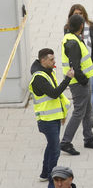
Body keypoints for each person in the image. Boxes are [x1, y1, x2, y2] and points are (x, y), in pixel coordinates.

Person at [59, 14, 93, 156]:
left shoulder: (71, 38)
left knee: (88, 110)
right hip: (79, 83)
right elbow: (75, 66)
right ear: (81, 26)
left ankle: (88, 138)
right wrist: (84, 80)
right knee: (79, 112)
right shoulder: (72, 42)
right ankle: (66, 142)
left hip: (81, 81)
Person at [29, 48, 73, 186]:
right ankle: (52, 181)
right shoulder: (39, 78)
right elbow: (54, 93)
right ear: (43, 61)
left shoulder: (48, 72)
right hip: (46, 121)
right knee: (55, 150)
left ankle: (44, 173)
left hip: (53, 118)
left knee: (51, 146)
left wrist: (62, 113)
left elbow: (57, 98)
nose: (54, 61)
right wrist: (68, 79)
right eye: (52, 59)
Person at [67, 5, 93, 128]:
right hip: (78, 67)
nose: (79, 16)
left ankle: (91, 117)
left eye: (80, 13)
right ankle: (84, 115)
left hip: (92, 63)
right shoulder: (68, 30)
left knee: (92, 90)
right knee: (82, 93)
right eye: (76, 14)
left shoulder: (92, 26)